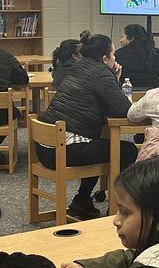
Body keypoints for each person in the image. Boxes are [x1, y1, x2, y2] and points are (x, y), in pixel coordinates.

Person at [36, 33, 134, 220]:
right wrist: (114, 76)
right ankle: (117, 206)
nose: (115, 58)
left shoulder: (78, 67)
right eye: (113, 55)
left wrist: (114, 78)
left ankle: (82, 201)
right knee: (126, 150)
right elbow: (123, 109)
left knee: (100, 143)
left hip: (45, 145)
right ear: (105, 58)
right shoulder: (102, 73)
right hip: (64, 149)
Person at [114, 23, 159, 90]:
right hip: (152, 93)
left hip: (128, 93)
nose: (120, 40)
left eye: (122, 37)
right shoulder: (157, 54)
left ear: (131, 38)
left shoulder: (118, 55)